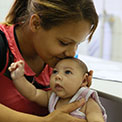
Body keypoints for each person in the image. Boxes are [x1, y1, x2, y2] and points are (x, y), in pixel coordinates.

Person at [0, 0, 98, 121]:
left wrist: (75, 89)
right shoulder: (2, 44)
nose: (72, 53)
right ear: (36, 24)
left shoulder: (61, 59)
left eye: (77, 44)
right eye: (64, 43)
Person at [8, 57, 107, 122]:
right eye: (55, 71)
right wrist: (18, 77)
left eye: (67, 72)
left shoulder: (86, 101)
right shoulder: (52, 97)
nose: (58, 76)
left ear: (84, 80)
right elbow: (33, 94)